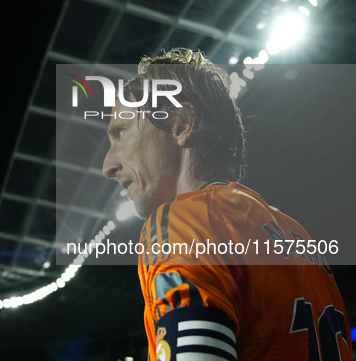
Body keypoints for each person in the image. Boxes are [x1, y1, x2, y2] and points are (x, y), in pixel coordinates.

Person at [101, 48, 351, 361]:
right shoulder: (299, 238)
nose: (108, 166)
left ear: (180, 124)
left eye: (121, 133)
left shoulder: (184, 221)